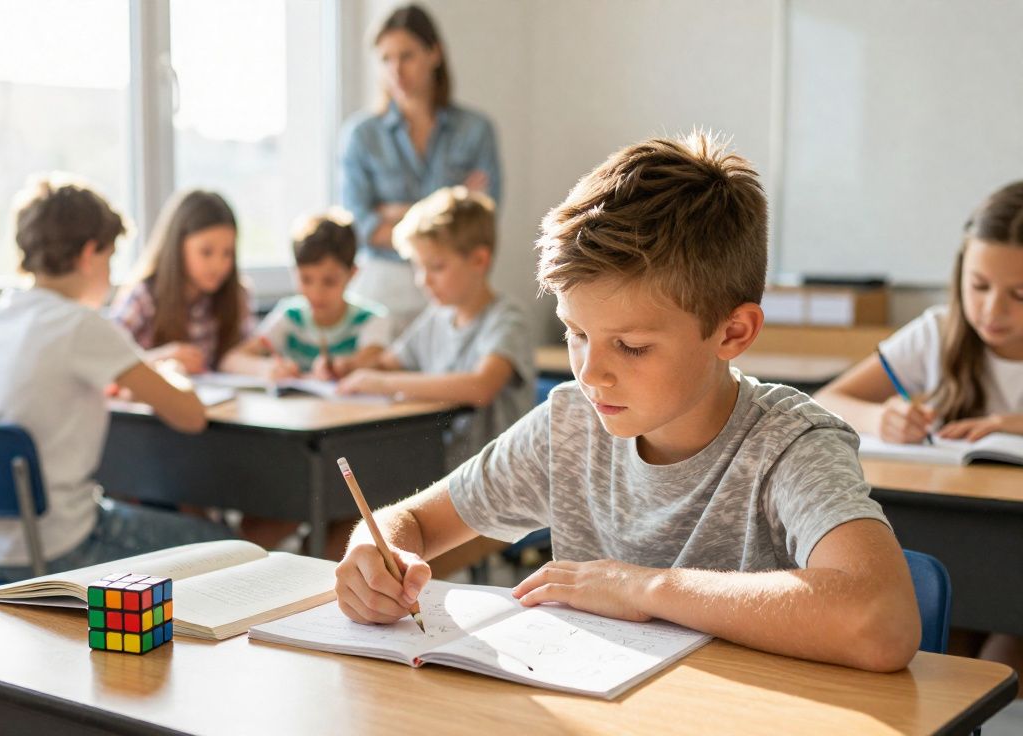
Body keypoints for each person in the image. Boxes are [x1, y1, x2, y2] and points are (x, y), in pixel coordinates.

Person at [333, 133, 921, 673]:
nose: (591, 374)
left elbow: (882, 620)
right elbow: (410, 522)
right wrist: (374, 553)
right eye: (576, 333)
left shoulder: (789, 445)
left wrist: (644, 589)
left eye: (633, 347)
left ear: (733, 333)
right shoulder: (568, 426)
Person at [0, 174, 232, 584]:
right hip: (63, 548)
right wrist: (172, 371)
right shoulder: (79, 324)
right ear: (89, 255)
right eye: (109, 258)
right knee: (224, 546)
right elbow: (189, 416)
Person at [815, 180, 1023, 672]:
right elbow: (827, 400)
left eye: (1020, 293)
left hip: (1013, 559)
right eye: (979, 286)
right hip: (955, 541)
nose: (992, 310)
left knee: (1003, 657)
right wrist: (881, 418)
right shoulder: (936, 333)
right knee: (945, 653)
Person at [338, 186, 534, 470]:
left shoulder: (508, 319)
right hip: (446, 476)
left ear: (479, 260)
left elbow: (480, 387)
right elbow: (386, 363)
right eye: (418, 267)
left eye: (436, 267)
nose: (423, 280)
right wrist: (348, 366)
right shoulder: (436, 317)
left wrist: (383, 384)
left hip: (501, 483)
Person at [340, 3, 501, 335]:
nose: (396, 70)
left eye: (407, 56)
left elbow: (480, 224)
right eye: (386, 59)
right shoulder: (361, 135)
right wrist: (443, 209)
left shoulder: (476, 130)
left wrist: (395, 213)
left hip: (454, 292)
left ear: (434, 54)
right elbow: (359, 228)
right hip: (381, 293)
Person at [231, 210, 390, 380]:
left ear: (352, 274)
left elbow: (376, 361)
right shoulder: (289, 317)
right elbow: (232, 360)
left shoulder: (371, 320)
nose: (316, 292)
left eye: (329, 281)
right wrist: (266, 368)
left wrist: (343, 366)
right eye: (306, 279)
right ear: (294, 272)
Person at [111, 189, 254, 374]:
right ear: (178, 247)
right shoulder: (143, 296)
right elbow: (106, 360)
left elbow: (244, 351)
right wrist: (162, 357)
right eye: (206, 252)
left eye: (228, 253)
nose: (219, 265)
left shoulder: (237, 295)